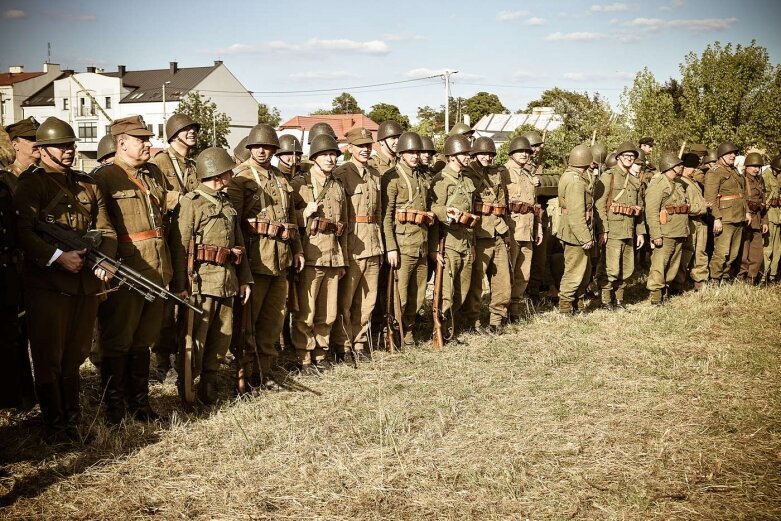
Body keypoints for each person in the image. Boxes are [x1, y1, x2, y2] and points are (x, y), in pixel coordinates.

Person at [13, 117, 115, 441]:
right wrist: (58, 257)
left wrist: (107, 262)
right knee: (49, 358)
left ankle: (73, 423)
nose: (68, 151)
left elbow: (107, 229)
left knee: (76, 355)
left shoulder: (88, 185)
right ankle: (55, 429)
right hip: (47, 287)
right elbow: (23, 233)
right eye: (61, 146)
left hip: (84, 285)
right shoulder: (32, 185)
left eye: (70, 145)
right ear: (42, 151)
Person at [92, 116, 170, 425]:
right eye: (142, 139)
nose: (148, 143)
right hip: (126, 270)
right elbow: (100, 227)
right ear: (122, 143)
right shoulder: (105, 177)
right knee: (118, 340)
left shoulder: (152, 174)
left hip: (156, 268)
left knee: (144, 340)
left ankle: (141, 406)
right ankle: (115, 410)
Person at [170, 147, 252, 404]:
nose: (231, 174)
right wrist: (181, 286)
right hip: (201, 283)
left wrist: (245, 279)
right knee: (196, 340)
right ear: (218, 174)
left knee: (221, 337)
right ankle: (188, 388)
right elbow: (180, 246)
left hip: (227, 281)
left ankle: (209, 384)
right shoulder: (191, 203)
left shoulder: (226, 203)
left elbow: (239, 245)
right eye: (228, 171)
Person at [229, 124, 304, 386]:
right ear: (250, 148)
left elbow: (291, 217)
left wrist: (297, 249)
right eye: (258, 146)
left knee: (273, 320)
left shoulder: (280, 178)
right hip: (255, 259)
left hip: (280, 258)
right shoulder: (239, 177)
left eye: (268, 147)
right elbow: (234, 224)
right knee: (249, 321)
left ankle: (265, 370)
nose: (262, 151)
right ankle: (246, 373)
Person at [150, 113, 200, 382]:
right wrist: (183, 199)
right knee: (167, 305)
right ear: (173, 134)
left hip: (189, 238)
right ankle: (161, 360)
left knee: (187, 296)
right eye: (186, 129)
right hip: (169, 237)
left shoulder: (192, 165)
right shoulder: (159, 163)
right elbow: (157, 197)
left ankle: (184, 354)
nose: (191, 132)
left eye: (193, 128)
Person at [290, 134, 347, 372]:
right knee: (307, 311)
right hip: (311, 255)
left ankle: (321, 354)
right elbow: (287, 219)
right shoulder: (300, 184)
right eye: (324, 154)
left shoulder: (337, 186)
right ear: (314, 157)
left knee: (329, 311)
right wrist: (304, 213)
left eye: (333, 154)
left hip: (333, 255)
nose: (330, 158)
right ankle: (304, 357)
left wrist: (341, 259)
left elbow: (342, 225)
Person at [329, 128, 383, 360]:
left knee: (367, 300)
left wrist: (381, 243)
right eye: (360, 146)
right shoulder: (341, 173)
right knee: (346, 300)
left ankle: (360, 342)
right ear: (349, 148)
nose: (365, 149)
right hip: (352, 243)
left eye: (368, 145)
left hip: (372, 243)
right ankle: (343, 345)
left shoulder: (374, 174)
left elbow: (378, 212)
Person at [381, 131, 432, 347]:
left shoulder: (421, 176)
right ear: (401, 153)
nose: (414, 155)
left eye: (417, 152)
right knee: (398, 295)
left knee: (418, 292)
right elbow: (386, 217)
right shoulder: (392, 178)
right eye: (410, 151)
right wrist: (391, 247)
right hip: (402, 245)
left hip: (421, 243)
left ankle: (408, 329)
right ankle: (392, 331)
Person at [462, 137, 511, 332]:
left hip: (498, 231)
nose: (487, 157)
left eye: (490, 154)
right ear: (474, 154)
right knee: (476, 281)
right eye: (483, 153)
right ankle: (472, 320)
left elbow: (502, 204)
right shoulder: (467, 174)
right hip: (478, 232)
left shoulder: (497, 174)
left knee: (502, 281)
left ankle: (497, 319)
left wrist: (506, 231)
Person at [430, 135, 477, 338]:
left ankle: (452, 326)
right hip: (447, 242)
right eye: (463, 154)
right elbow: (431, 211)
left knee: (462, 289)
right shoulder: (439, 180)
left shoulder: (467, 179)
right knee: (446, 292)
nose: (467, 157)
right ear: (451, 156)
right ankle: (440, 330)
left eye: (468, 153)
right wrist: (433, 249)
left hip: (466, 240)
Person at [594, 141, 645, 309]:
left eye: (632, 156)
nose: (630, 159)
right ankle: (606, 300)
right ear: (618, 157)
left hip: (629, 229)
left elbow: (638, 210)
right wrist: (604, 230)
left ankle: (619, 299)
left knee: (627, 267)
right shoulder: (609, 176)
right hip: (613, 230)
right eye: (626, 156)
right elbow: (600, 206)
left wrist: (640, 232)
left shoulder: (635, 181)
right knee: (611, 267)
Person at [644, 152, 690, 304]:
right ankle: (656, 296)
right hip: (665, 232)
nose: (681, 167)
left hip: (678, 230)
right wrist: (655, 235)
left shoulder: (677, 184)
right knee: (659, 265)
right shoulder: (658, 184)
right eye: (679, 165)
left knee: (673, 265)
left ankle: (665, 291)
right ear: (670, 166)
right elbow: (651, 212)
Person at [505, 136, 543, 320]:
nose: (524, 154)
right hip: (511, 229)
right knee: (507, 272)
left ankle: (515, 309)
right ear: (512, 153)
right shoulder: (503, 173)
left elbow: (534, 205)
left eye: (527, 152)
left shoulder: (528, 175)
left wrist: (539, 228)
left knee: (523, 273)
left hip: (527, 229)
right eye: (520, 151)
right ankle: (501, 310)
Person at [556, 144, 596, 314]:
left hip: (574, 232)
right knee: (574, 271)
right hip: (576, 233)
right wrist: (585, 237)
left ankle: (576, 304)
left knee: (583, 271)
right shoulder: (575, 182)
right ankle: (565, 307)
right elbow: (576, 214)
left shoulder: (571, 176)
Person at [705, 142, 750, 282]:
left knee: (733, 253)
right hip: (725, 218)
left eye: (734, 153)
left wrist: (747, 212)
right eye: (729, 153)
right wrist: (717, 218)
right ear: (721, 156)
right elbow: (710, 199)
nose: (732, 156)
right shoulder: (714, 172)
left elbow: (742, 194)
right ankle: (715, 279)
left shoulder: (735, 171)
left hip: (739, 216)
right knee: (721, 252)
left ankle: (725, 277)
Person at [738, 152, 768, 283]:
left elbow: (763, 201)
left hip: (757, 218)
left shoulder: (760, 180)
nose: (756, 169)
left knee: (757, 253)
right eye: (753, 166)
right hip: (745, 219)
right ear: (746, 166)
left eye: (758, 167)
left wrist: (764, 221)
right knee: (743, 252)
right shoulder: (741, 179)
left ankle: (751, 278)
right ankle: (740, 277)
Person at [1, 117, 40, 191]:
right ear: (15, 145)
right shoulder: (6, 179)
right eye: (31, 139)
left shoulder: (51, 174)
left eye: (39, 138)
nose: (37, 143)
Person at [763, 155, 781, 283]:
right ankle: (764, 275)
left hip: (778, 216)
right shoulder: (765, 176)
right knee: (767, 249)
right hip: (769, 215)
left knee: (777, 248)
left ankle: (773, 275)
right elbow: (764, 198)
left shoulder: (777, 176)